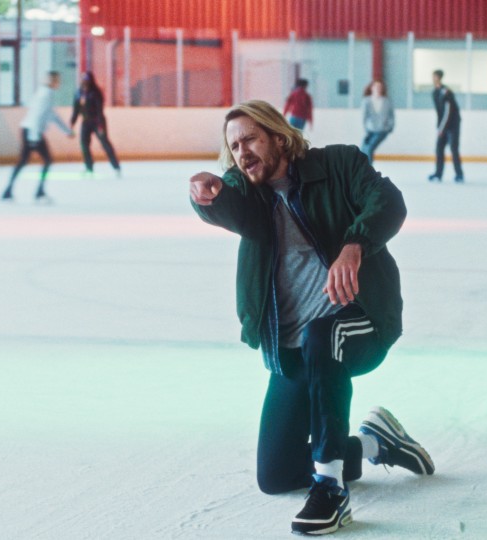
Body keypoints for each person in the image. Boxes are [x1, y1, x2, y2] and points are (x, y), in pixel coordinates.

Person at [189, 100, 434, 536]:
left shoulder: (338, 165)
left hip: (360, 323)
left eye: (250, 140)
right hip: (293, 351)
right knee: (276, 475)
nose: (242, 152)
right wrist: (211, 196)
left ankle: (330, 487)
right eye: (234, 146)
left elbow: (388, 201)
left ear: (278, 137)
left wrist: (354, 245)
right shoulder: (248, 191)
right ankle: (377, 443)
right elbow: (230, 206)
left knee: (323, 335)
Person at [1, 71, 74, 201]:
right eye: (57, 80)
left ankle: (10, 189)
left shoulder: (44, 93)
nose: (59, 83)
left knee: (27, 161)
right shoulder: (46, 94)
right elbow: (39, 115)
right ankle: (36, 191)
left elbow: (51, 115)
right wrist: (34, 137)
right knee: (44, 160)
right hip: (32, 132)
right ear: (52, 81)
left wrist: (66, 131)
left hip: (30, 130)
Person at [70, 71, 121, 178]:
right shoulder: (78, 94)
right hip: (86, 122)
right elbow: (76, 111)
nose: (84, 81)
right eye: (83, 79)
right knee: (84, 144)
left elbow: (99, 111)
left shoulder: (96, 93)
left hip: (97, 121)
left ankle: (116, 167)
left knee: (105, 143)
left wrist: (101, 126)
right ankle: (89, 167)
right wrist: (72, 123)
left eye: (86, 80)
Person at [428, 69, 463, 183]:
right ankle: (438, 174)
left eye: (435, 77)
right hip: (443, 125)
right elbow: (439, 112)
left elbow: (448, 112)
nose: (433, 79)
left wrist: (442, 127)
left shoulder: (446, 92)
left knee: (453, 149)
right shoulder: (435, 92)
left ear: (439, 78)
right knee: (439, 148)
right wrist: (440, 126)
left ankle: (459, 174)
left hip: (453, 125)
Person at [359, 80, 395, 163]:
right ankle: (362, 167)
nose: (378, 88)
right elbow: (364, 116)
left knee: (370, 147)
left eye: (380, 87)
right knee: (363, 148)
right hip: (370, 130)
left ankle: (368, 168)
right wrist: (366, 128)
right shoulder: (366, 101)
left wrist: (389, 127)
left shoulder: (387, 101)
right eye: (376, 86)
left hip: (382, 130)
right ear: (372, 88)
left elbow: (391, 116)